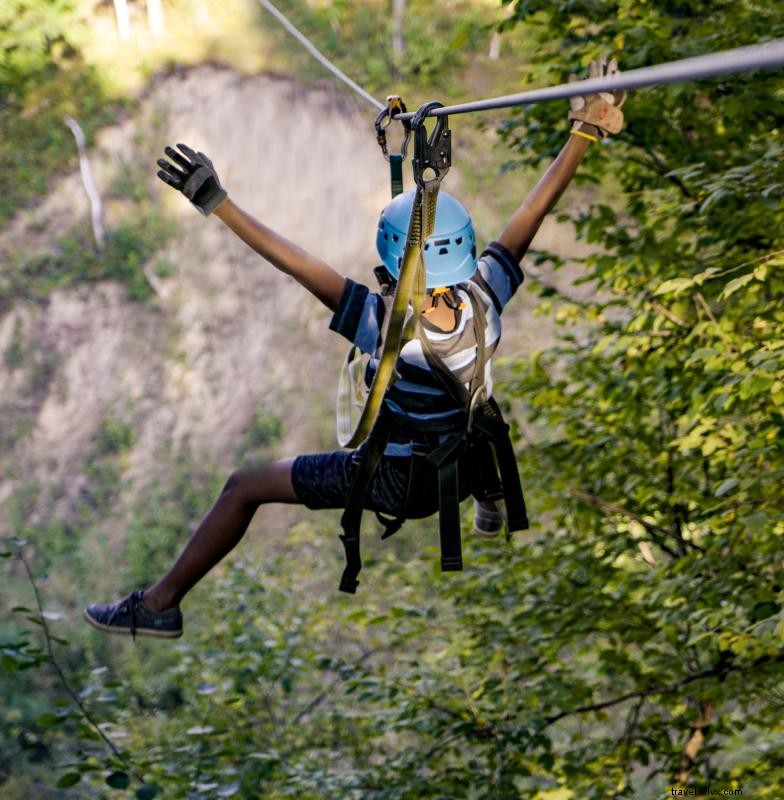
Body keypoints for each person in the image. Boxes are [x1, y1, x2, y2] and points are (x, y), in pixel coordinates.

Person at [84, 57, 625, 638]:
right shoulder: (483, 299)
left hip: (397, 482)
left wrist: (217, 202)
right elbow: (530, 214)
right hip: (457, 468)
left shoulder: (385, 325)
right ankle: (487, 492)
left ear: (395, 265)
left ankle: (161, 603)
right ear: (464, 254)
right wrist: (584, 131)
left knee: (246, 486)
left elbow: (297, 263)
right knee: (477, 407)